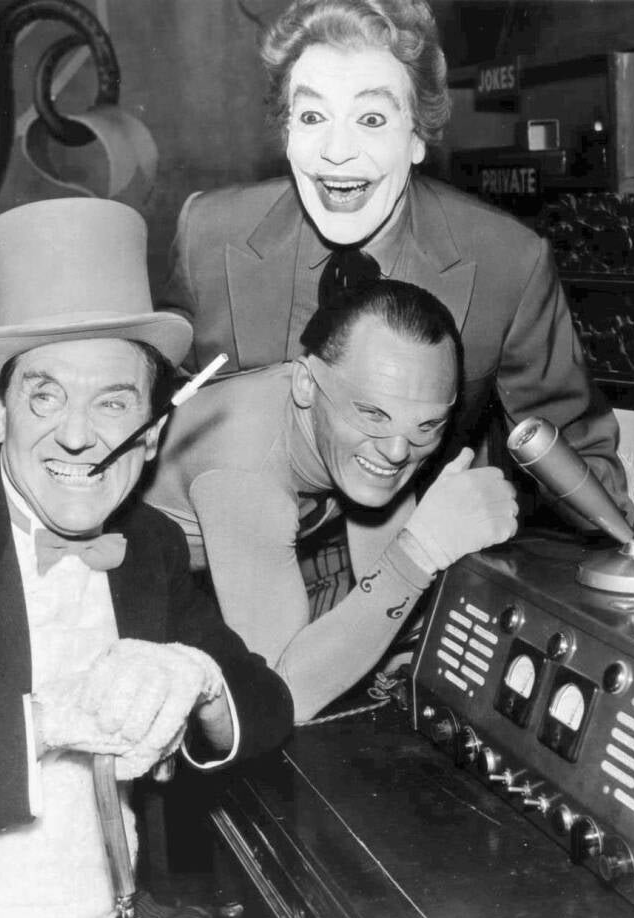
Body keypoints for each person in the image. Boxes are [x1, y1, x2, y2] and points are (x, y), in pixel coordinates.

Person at [0, 198, 293, 918]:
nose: (78, 435)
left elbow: (267, 707)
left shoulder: (148, 543)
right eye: (46, 396)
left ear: (151, 435)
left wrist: (197, 675)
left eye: (114, 404)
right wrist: (54, 719)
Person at [159, 0, 629, 517]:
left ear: (417, 137)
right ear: (288, 133)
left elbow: (577, 457)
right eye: (313, 116)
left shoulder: (508, 261)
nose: (337, 151)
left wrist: (607, 534)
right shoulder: (208, 233)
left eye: (371, 119)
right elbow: (156, 413)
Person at [145, 279, 518, 721]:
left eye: (427, 425)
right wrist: (422, 550)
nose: (397, 452)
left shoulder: (362, 432)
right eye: (372, 413)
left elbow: (391, 582)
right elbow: (277, 697)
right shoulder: (246, 474)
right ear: (305, 384)